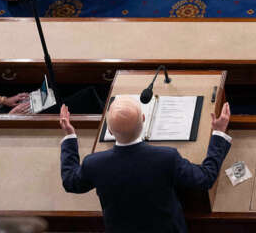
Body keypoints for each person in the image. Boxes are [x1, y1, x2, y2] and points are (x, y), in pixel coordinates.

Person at [60, 93, 230, 231]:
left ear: (110, 131)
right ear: (143, 119)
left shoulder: (94, 164)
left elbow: (70, 182)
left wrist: (69, 137)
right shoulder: (167, 157)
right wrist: (218, 134)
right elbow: (205, 178)